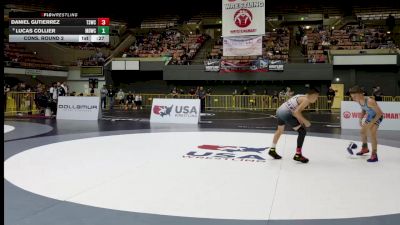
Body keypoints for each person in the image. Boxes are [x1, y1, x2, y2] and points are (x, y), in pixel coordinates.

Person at [268, 87, 320, 163]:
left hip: (279, 110)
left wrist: (300, 120)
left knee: (279, 130)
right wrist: (305, 122)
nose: (316, 99)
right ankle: (298, 155)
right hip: (286, 113)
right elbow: (296, 112)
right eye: (316, 97)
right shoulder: (306, 100)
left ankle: (272, 150)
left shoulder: (300, 95)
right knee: (302, 132)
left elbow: (296, 110)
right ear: (313, 95)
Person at [349, 86, 384, 162]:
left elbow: (380, 114)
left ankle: (374, 155)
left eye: (355, 96)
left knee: (372, 134)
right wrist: (360, 118)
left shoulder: (370, 101)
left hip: (377, 117)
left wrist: (371, 123)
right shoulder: (359, 101)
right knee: (362, 132)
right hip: (370, 116)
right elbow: (364, 109)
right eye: (352, 97)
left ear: (361, 94)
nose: (353, 98)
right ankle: (365, 148)